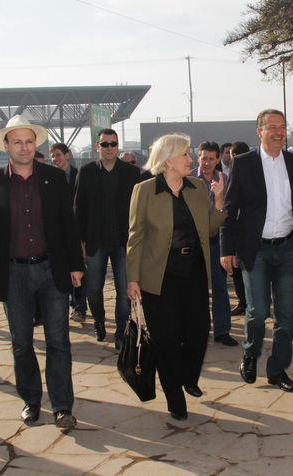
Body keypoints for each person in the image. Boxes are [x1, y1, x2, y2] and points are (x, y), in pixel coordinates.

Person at [0, 114, 84, 429]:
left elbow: (68, 224)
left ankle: (62, 407)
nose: (23, 147)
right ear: (6, 145)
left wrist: (76, 266)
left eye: (28, 141)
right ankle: (31, 401)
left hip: (52, 271)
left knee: (58, 342)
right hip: (13, 274)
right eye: (17, 142)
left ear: (35, 143)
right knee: (21, 343)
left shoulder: (55, 179)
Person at [126, 133, 226, 421]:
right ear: (168, 160)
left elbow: (209, 229)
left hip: (193, 273)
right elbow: (135, 237)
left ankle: (187, 377)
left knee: (198, 332)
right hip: (159, 277)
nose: (190, 159)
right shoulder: (144, 190)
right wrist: (132, 278)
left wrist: (219, 201)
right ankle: (175, 399)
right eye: (184, 154)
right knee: (166, 339)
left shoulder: (197, 187)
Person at [220, 109, 293, 393]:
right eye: (272, 127)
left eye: (282, 126)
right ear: (259, 132)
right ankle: (250, 352)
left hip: (288, 249)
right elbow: (230, 208)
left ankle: (277, 369)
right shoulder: (243, 163)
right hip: (255, 250)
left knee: (287, 317)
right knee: (257, 312)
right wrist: (226, 248)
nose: (278, 132)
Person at [74, 128, 141, 349]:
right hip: (95, 242)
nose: (109, 148)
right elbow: (78, 210)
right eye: (105, 144)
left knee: (124, 291)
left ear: (118, 146)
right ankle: (99, 320)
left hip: (124, 242)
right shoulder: (86, 172)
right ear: (97, 147)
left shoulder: (132, 173)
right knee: (93, 288)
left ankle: (121, 332)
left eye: (113, 144)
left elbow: (139, 209)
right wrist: (79, 242)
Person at [191, 141, 237, 346]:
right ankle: (197, 330)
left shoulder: (225, 179)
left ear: (218, 159)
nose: (207, 163)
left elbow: (232, 210)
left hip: (218, 240)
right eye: (203, 158)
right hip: (195, 241)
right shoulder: (189, 179)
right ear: (198, 158)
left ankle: (222, 331)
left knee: (220, 287)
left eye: (211, 159)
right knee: (196, 288)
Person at [49, 143, 87, 323]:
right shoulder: (48, 178)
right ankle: (66, 306)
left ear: (66, 155)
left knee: (78, 269)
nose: (55, 159)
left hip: (77, 230)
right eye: (52, 156)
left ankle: (79, 307)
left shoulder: (79, 176)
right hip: (57, 232)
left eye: (58, 155)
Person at [226, 141, 250, 316]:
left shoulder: (239, 174)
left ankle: (245, 302)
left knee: (240, 269)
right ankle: (247, 301)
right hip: (242, 230)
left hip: (242, 230)